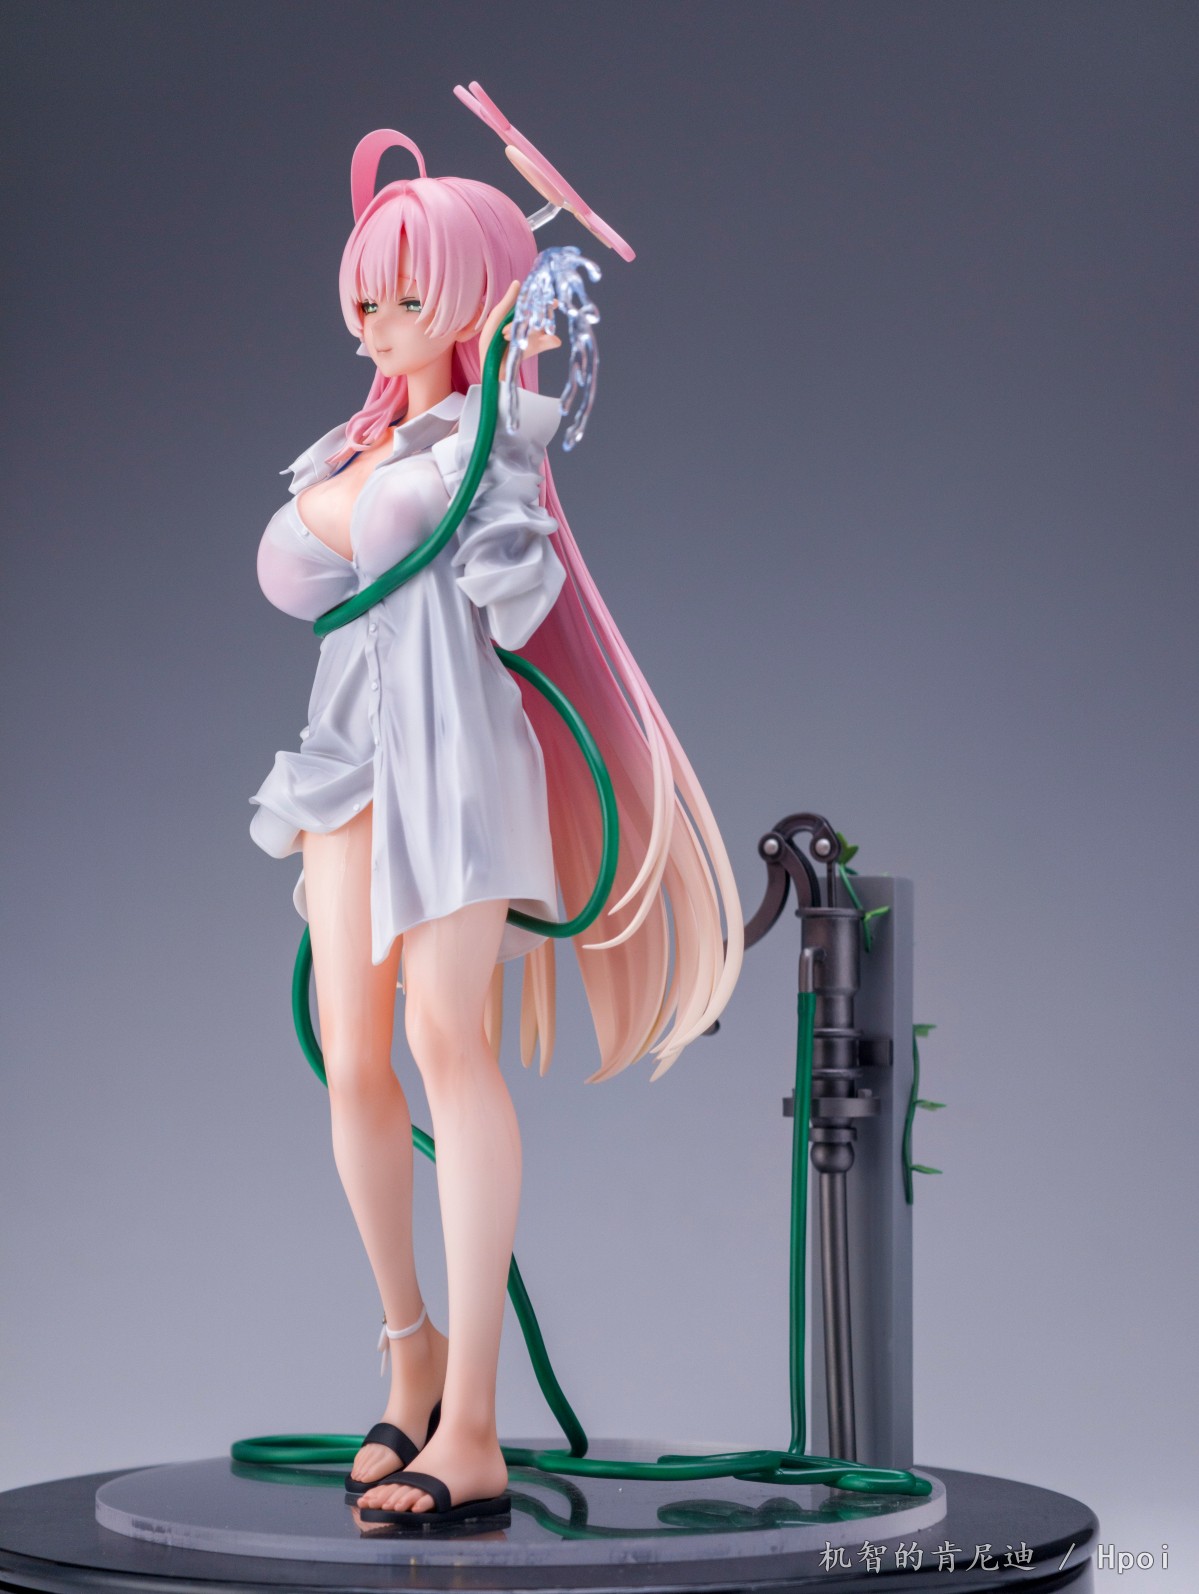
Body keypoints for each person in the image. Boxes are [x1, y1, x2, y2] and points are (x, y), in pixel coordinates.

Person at [249, 126, 743, 1529]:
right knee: (351, 1058)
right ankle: (407, 1355)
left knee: (443, 1043)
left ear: (475, 294)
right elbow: (297, 579)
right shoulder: (357, 440)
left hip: (455, 761)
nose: (380, 322)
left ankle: (471, 1426)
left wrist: (508, 447)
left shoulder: (485, 441)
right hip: (349, 758)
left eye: (411, 297)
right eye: (368, 297)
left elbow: (521, 611)